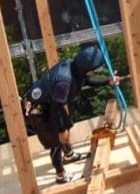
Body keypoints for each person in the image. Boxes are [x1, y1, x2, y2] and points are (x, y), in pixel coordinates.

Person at [21, 44, 122, 184]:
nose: (94, 72)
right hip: (37, 109)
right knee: (56, 142)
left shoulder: (75, 68)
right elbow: (56, 110)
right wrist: (60, 130)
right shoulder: (64, 81)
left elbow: (87, 80)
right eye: (94, 69)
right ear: (87, 69)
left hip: (52, 104)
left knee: (66, 127)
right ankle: (60, 176)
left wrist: (107, 81)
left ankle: (68, 155)